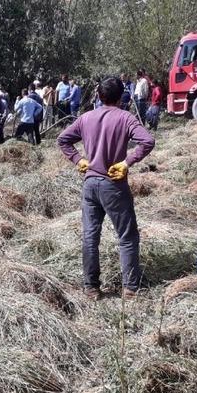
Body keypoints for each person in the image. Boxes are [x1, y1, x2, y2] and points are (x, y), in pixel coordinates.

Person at [57, 77, 156, 300]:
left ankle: (91, 288)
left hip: (90, 184)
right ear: (121, 97)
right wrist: (127, 162)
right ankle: (130, 288)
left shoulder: (86, 118)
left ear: (99, 96)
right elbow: (147, 141)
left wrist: (78, 159)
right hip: (113, 184)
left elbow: (63, 139)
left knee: (90, 237)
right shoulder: (126, 118)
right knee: (127, 236)